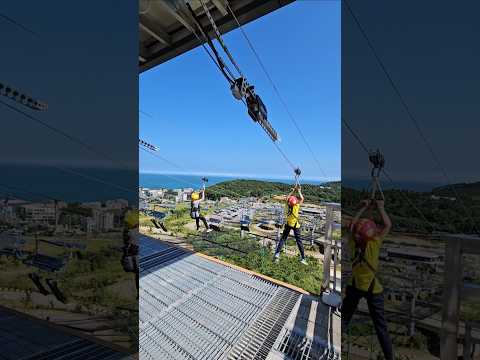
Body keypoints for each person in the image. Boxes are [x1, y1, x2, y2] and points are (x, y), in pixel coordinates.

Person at [342, 199, 393, 360]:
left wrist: (362, 208)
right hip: (373, 289)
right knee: (381, 328)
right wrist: (380, 208)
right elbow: (387, 226)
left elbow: (352, 227)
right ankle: (389, 357)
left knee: (345, 318)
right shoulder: (373, 244)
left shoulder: (352, 243)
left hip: (354, 285)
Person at [273, 184, 307, 265]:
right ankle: (303, 258)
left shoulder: (287, 206)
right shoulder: (296, 206)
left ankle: (277, 253)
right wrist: (299, 190)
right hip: (296, 225)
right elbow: (302, 198)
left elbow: (287, 198)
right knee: (299, 241)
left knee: (283, 239)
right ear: (295, 202)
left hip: (288, 224)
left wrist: (292, 190)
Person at [122, 209, 139, 299]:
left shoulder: (130, 232)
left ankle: (138, 295)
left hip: (135, 257)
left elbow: (126, 244)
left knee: (137, 276)